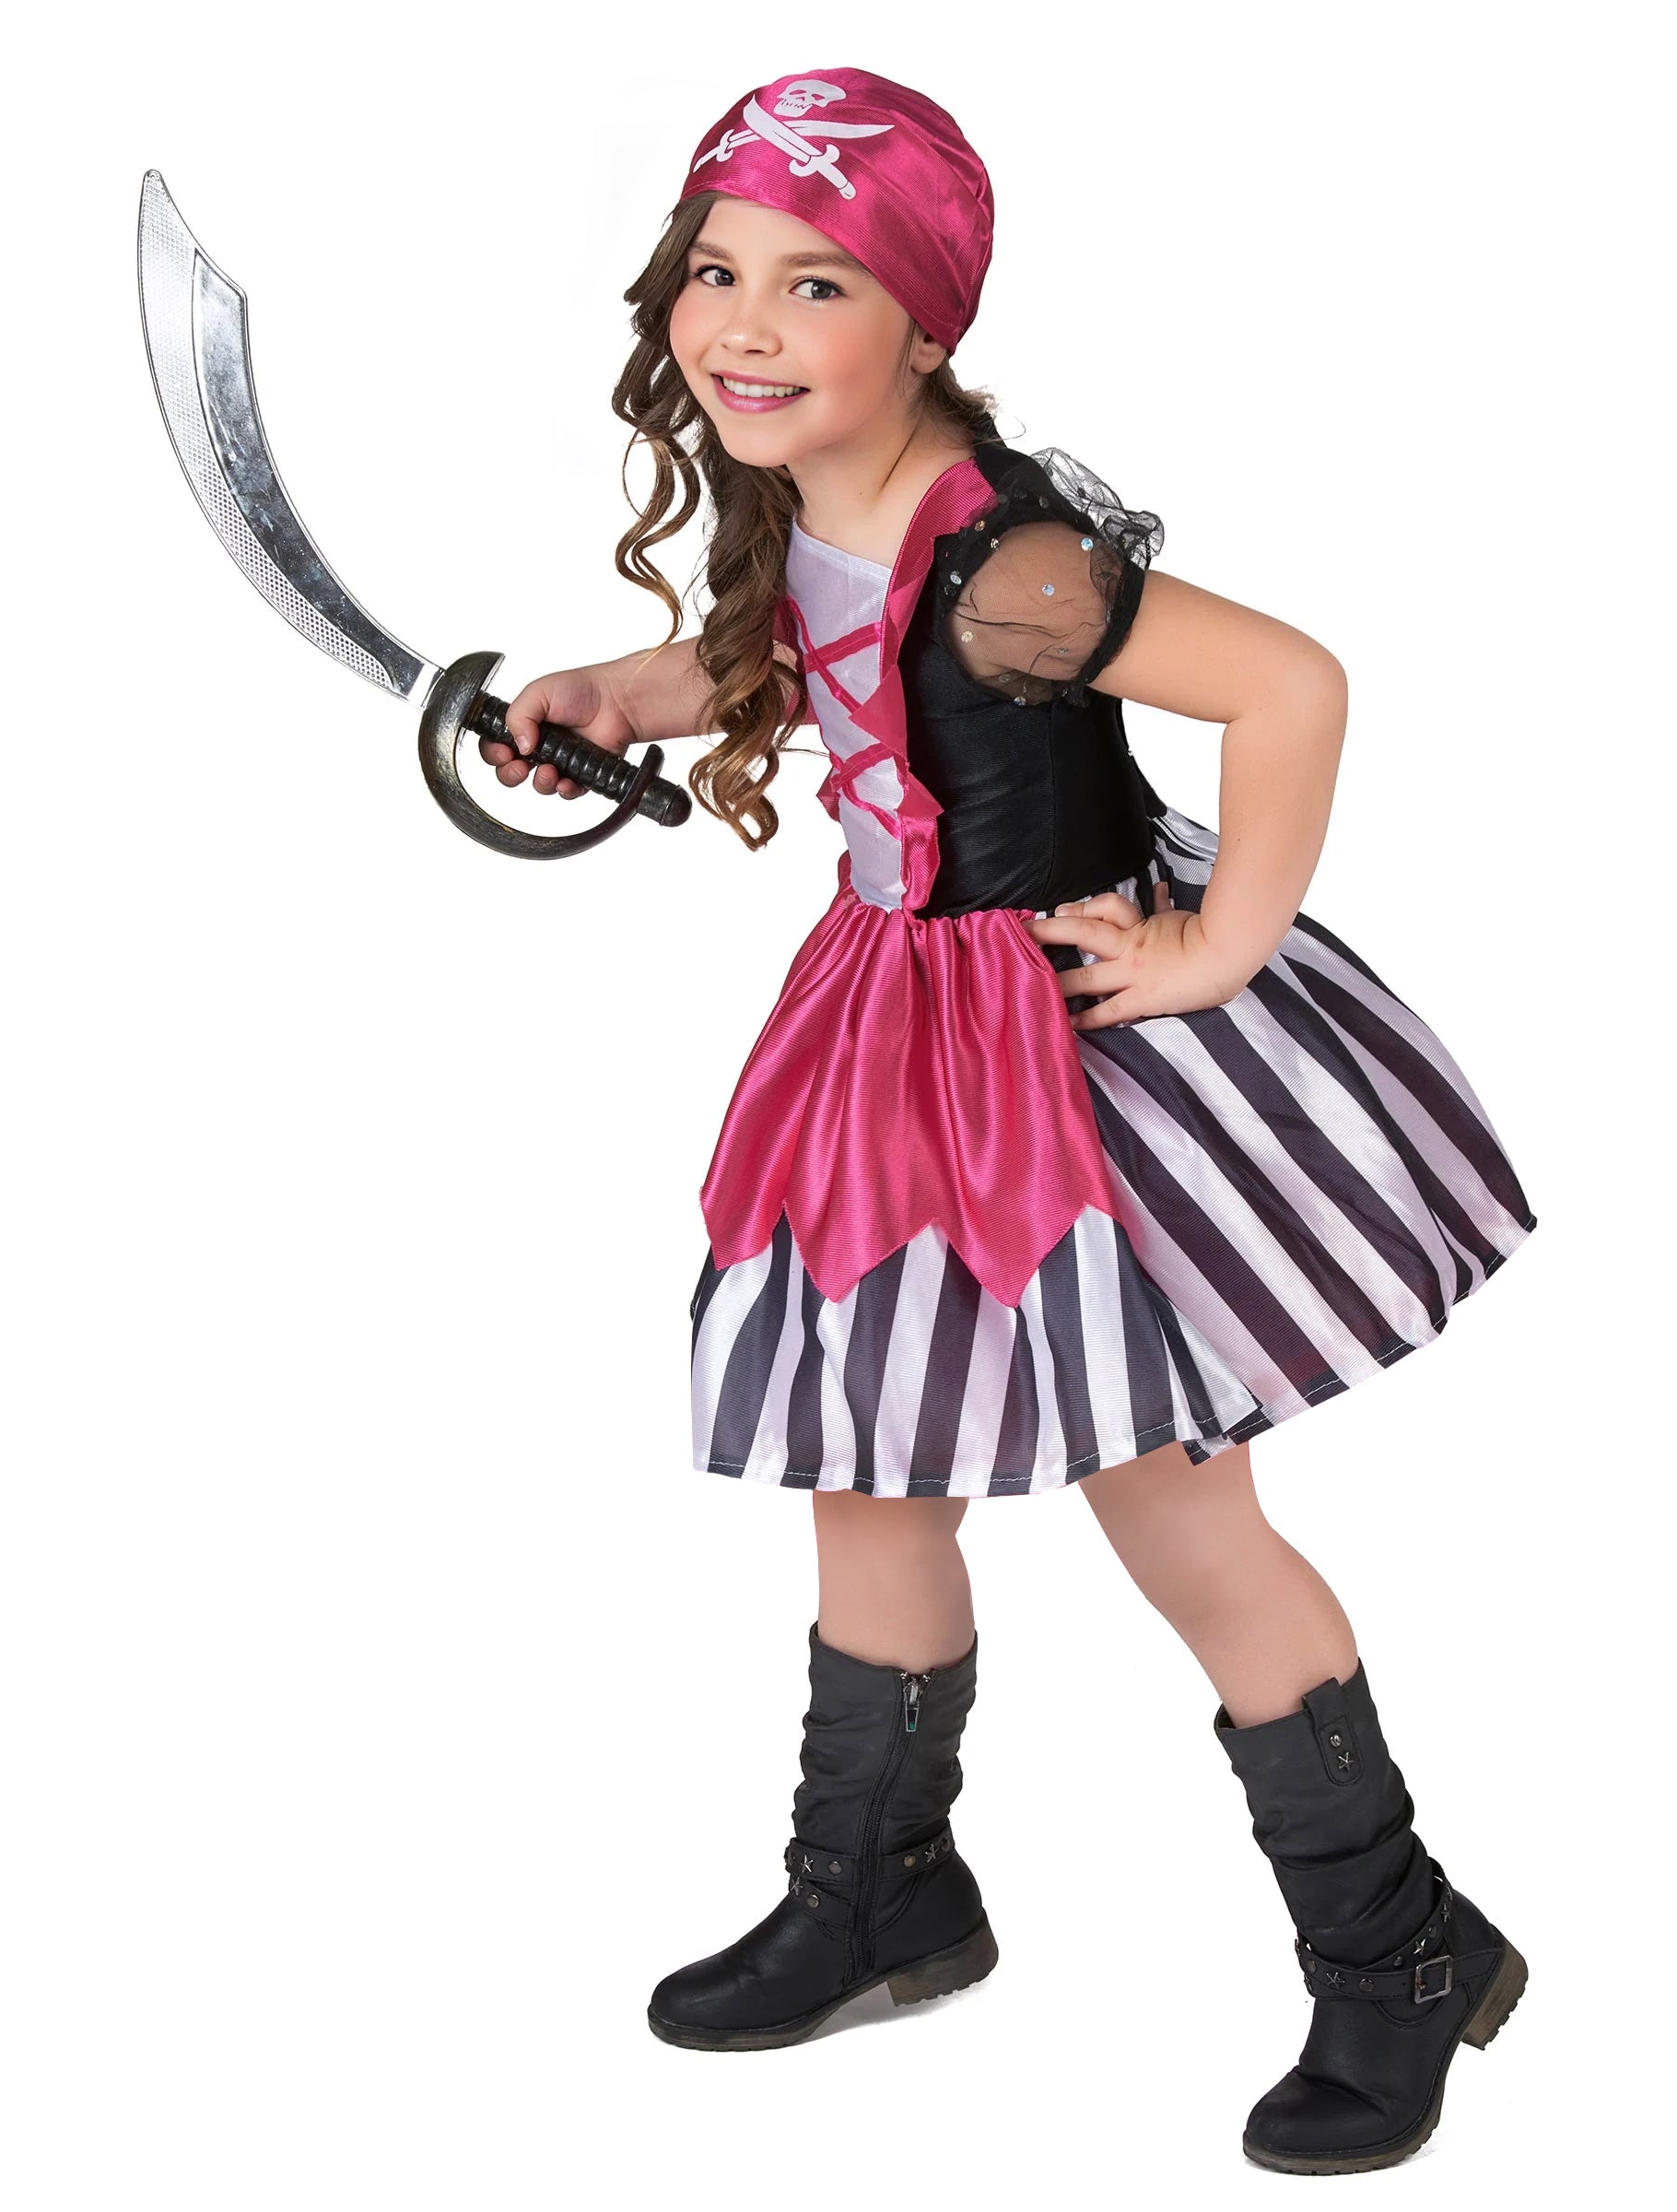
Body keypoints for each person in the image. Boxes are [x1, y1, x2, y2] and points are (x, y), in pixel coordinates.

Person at [484, 67, 1535, 2177]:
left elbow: (1291, 684)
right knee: (868, 1478)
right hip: (893, 1053)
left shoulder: (1013, 563)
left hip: (1058, 1078)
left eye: (816, 283)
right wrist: (620, 693)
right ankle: (882, 1892)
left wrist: (1222, 946)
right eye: (716, 270)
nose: (746, 324)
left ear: (925, 321)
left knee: (1178, 1521)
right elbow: (783, 657)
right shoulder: (812, 492)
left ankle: (1401, 1946)